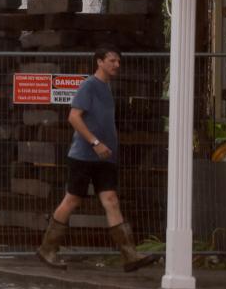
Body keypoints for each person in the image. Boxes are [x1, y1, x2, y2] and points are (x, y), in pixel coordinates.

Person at [37, 46, 158, 272]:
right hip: (84, 156)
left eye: (118, 61)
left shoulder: (106, 88)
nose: (116, 65)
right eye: (112, 60)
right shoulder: (89, 85)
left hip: (105, 158)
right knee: (71, 200)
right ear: (99, 62)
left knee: (111, 200)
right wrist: (95, 142)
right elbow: (73, 117)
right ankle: (48, 248)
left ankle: (129, 255)